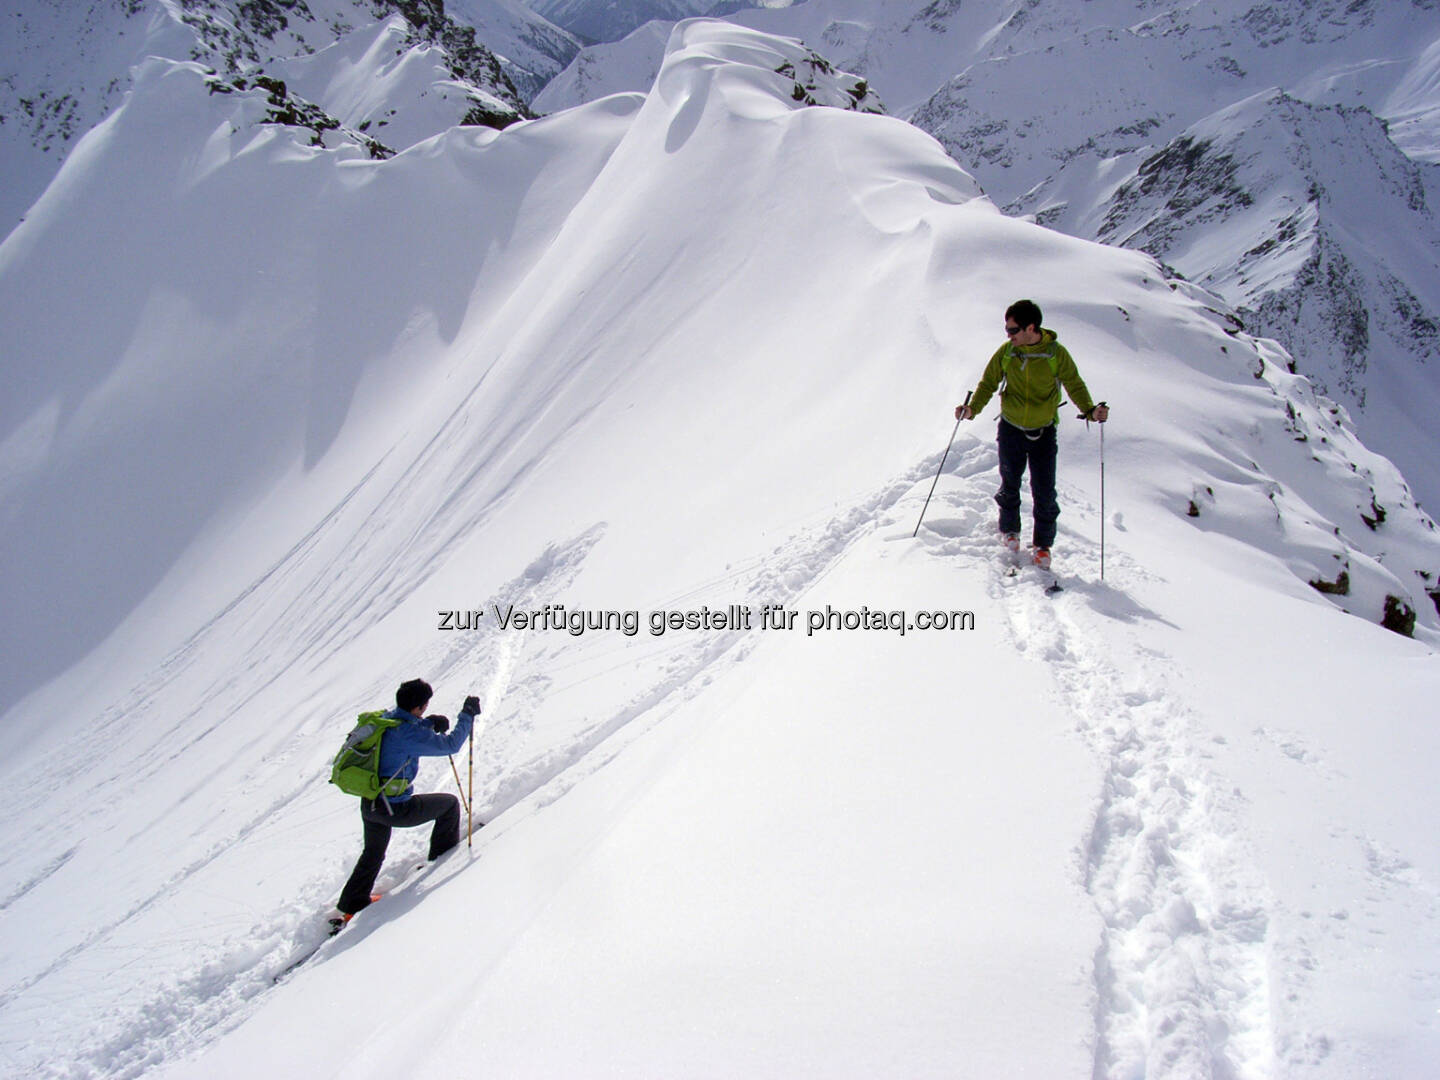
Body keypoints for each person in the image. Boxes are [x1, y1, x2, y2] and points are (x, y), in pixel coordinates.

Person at [956, 299, 1108, 568]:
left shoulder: (1055, 354)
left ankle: (1043, 546)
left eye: (1013, 330)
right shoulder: (1006, 353)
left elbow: (1074, 383)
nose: (1008, 335)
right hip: (1011, 427)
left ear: (1031, 327)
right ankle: (1010, 530)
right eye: (1007, 330)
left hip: (1044, 432)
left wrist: (1090, 410)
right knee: (1010, 483)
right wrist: (971, 410)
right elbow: (988, 383)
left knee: (1045, 492)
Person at [334, 678, 480, 927]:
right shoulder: (407, 733)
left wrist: (429, 723)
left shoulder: (387, 719)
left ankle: (351, 903)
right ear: (419, 707)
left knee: (373, 852)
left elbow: (406, 730)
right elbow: (451, 745)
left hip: (370, 802)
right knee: (448, 805)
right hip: (395, 808)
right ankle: (443, 859)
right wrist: (466, 716)